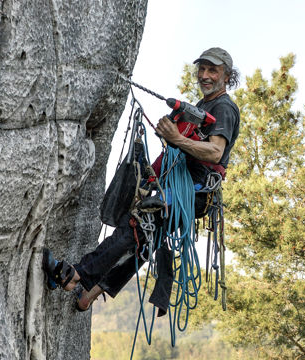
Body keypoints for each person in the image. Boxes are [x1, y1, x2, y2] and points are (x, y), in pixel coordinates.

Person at [43, 47, 240, 311]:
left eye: (212, 70)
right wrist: (152, 173)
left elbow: (216, 153)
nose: (204, 75)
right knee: (144, 240)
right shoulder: (204, 106)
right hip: (181, 185)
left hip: (194, 190)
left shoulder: (224, 108)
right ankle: (88, 295)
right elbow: (179, 149)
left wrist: (177, 138)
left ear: (226, 76)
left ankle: (75, 276)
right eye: (202, 69)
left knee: (138, 225)